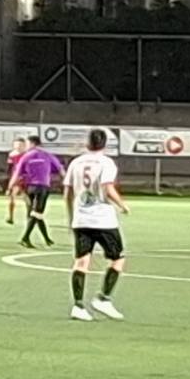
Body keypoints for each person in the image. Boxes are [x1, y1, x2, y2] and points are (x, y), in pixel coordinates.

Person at [63, 128, 130, 322]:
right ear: (105, 144)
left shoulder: (76, 162)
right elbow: (107, 188)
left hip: (81, 219)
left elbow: (67, 193)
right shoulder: (106, 163)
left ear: (87, 143)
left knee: (81, 261)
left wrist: (71, 217)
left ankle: (78, 306)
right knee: (117, 259)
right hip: (103, 219)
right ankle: (103, 299)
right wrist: (122, 205)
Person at [13, 134, 64, 249]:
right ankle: (25, 238)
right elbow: (59, 168)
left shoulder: (26, 156)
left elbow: (18, 173)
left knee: (35, 214)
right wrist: (65, 181)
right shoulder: (47, 155)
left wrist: (11, 186)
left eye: (27, 143)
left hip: (29, 188)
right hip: (42, 187)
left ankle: (46, 238)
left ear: (32, 143)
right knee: (37, 213)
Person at [4, 136, 28, 224]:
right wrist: (9, 180)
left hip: (25, 178)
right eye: (16, 145)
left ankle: (29, 217)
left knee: (26, 198)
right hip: (15, 178)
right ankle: (10, 217)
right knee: (11, 197)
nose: (18, 146)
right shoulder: (12, 155)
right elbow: (9, 168)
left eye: (20, 145)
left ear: (24, 146)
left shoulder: (27, 155)